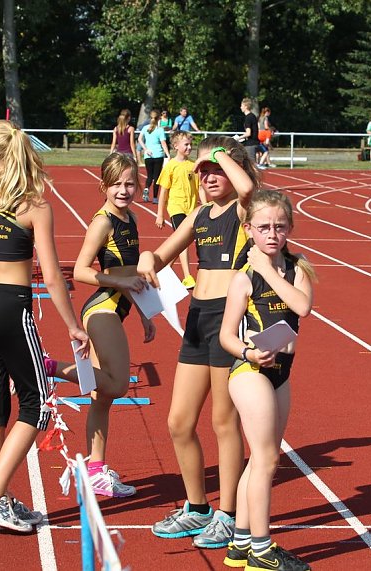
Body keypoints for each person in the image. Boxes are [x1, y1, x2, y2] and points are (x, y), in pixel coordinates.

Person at [0, 119, 90, 532]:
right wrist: (73, 325)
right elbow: (51, 277)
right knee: (37, 404)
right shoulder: (34, 205)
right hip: (10, 308)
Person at [138, 136, 256, 550]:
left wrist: (219, 155)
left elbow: (247, 189)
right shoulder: (199, 215)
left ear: (233, 167)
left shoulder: (244, 210)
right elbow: (162, 255)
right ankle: (197, 507)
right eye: (201, 171)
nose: (206, 176)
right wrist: (147, 261)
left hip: (231, 318)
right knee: (178, 421)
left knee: (224, 422)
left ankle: (227, 514)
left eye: (214, 169)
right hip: (197, 319)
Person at [219, 189, 314, 571]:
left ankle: (239, 544)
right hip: (250, 371)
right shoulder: (243, 279)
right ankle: (261, 550)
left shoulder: (298, 267)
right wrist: (247, 351)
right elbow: (226, 336)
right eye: (263, 227)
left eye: (279, 226)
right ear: (249, 230)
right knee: (266, 460)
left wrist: (270, 271)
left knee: (259, 461)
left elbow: (302, 306)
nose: (272, 234)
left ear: (289, 228)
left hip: (281, 373)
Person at [73, 152, 155, 497]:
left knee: (101, 397)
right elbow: (79, 270)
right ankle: (48, 366)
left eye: (130, 183)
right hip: (101, 309)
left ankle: (94, 470)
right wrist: (121, 286)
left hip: (117, 309)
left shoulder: (131, 217)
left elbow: (129, 271)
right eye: (117, 184)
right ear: (103, 186)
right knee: (118, 385)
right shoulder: (103, 221)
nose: (124, 190)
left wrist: (143, 312)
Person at [155, 130, 202, 289]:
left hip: (191, 209)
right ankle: (187, 277)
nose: (189, 147)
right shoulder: (170, 166)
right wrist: (160, 214)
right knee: (183, 241)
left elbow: (199, 187)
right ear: (176, 146)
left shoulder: (193, 166)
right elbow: (163, 192)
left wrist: (206, 204)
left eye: (191, 144)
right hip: (176, 208)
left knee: (182, 242)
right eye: (186, 144)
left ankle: (163, 268)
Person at [138, 109, 170, 203]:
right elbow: (163, 143)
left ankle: (147, 188)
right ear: (158, 119)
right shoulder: (160, 130)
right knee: (156, 177)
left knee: (149, 176)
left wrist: (146, 149)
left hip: (148, 155)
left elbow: (140, 139)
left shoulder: (145, 128)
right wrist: (168, 154)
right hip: (158, 154)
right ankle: (155, 198)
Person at [239, 98, 260, 166]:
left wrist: (238, 138)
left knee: (252, 165)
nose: (241, 107)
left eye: (242, 105)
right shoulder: (252, 116)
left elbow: (248, 133)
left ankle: (256, 177)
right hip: (253, 143)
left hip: (251, 144)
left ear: (246, 106)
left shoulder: (248, 117)